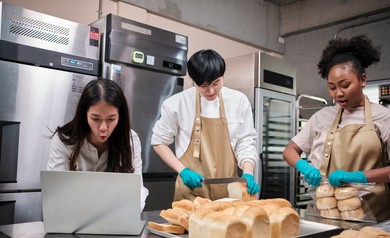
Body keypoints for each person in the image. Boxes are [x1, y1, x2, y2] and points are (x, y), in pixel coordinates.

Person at [283, 35, 390, 221]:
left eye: (345, 85)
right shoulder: (322, 117)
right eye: (332, 87)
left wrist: (360, 177)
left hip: (370, 217)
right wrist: (304, 167)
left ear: (363, 80)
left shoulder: (382, 116)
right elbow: (290, 150)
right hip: (324, 215)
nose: (338, 93)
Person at [151, 49, 260, 201]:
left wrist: (248, 172)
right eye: (203, 85)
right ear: (193, 80)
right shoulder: (176, 104)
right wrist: (183, 171)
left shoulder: (239, 101)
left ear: (223, 75)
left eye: (216, 83)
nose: (210, 91)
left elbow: (245, 141)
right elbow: (159, 142)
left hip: (229, 195)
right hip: (191, 194)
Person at [47, 78, 149, 210]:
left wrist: (129, 211)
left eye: (111, 119)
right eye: (95, 119)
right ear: (84, 115)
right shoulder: (64, 140)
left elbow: (137, 190)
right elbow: (55, 192)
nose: (103, 127)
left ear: (120, 116)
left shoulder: (130, 140)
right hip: (70, 218)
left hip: (115, 219)